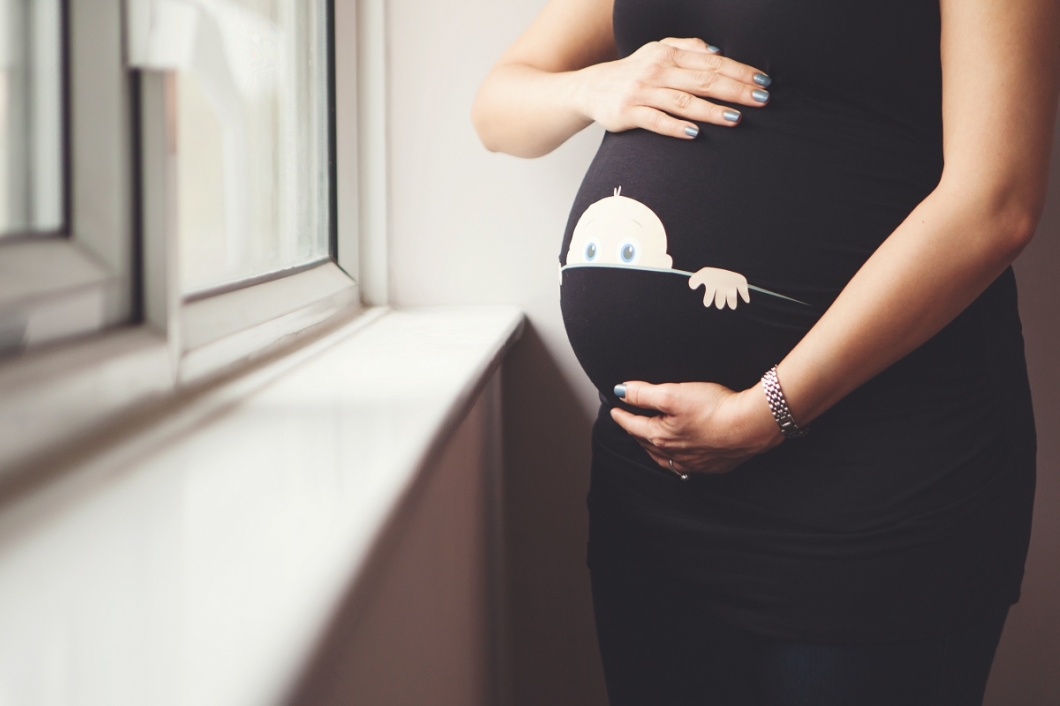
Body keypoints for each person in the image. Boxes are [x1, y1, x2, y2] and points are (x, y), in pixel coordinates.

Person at [472, 1, 1060, 704]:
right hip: (657, 484)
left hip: (879, 477)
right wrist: (595, 86)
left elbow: (995, 202)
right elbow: (497, 107)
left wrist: (767, 410)